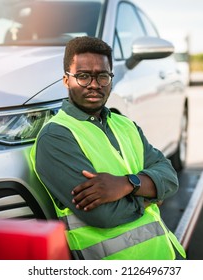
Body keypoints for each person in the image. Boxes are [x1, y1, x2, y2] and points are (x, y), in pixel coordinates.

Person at [30, 36, 186, 260]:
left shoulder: (125, 124)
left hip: (168, 254)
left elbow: (170, 179)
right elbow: (103, 215)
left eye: (102, 76)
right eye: (83, 76)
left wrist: (126, 184)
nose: (94, 84)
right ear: (66, 81)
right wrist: (152, 194)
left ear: (111, 80)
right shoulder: (56, 136)